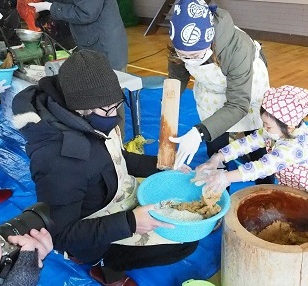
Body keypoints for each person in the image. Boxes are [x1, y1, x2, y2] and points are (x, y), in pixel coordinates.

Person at [11, 50, 198, 286]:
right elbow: (62, 236)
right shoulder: (57, 159)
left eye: (115, 106)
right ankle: (104, 264)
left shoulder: (93, 120)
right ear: (79, 107)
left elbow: (119, 158)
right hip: (92, 231)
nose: (113, 116)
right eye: (106, 110)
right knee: (185, 243)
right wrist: (131, 223)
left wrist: (163, 167)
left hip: (115, 197)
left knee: (187, 218)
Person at [194, 85, 308, 286]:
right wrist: (219, 157)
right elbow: (249, 142)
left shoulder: (293, 147)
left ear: (290, 126)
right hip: (295, 185)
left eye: (268, 125)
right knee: (296, 214)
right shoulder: (278, 131)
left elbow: (260, 167)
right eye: (264, 123)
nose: (264, 128)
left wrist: (225, 177)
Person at [167, 0, 274, 186]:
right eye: (183, 55)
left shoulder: (236, 47)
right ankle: (220, 183)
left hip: (246, 86)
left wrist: (198, 132)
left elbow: (239, 104)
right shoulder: (181, 40)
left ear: (209, 43)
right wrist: (168, 105)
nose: (188, 60)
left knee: (255, 138)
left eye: (195, 55)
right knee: (215, 140)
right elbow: (176, 80)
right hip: (212, 88)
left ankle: (264, 187)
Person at [28, 0, 128, 138]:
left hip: (104, 47)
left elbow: (86, 12)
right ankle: (99, 140)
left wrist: (49, 7)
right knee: (96, 100)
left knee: (110, 101)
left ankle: (117, 145)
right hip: (90, 43)